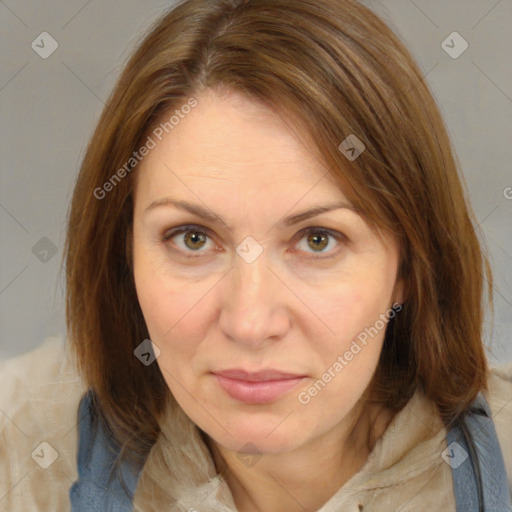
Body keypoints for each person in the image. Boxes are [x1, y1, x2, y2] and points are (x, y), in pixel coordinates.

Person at [1, 0, 511, 510]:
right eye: (192, 238)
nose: (249, 322)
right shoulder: (18, 445)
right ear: (122, 255)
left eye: (318, 240)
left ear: (408, 266)